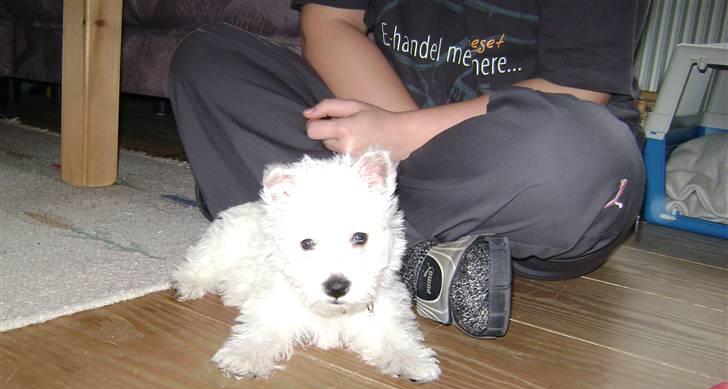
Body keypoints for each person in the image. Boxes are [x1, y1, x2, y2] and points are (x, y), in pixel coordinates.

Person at [168, 0, 650, 338]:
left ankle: (377, 243)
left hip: (517, 145)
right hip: (377, 145)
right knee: (211, 57)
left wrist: (405, 135)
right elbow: (331, 20)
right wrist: (387, 135)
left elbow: (578, 87)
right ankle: (421, 258)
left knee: (577, 152)